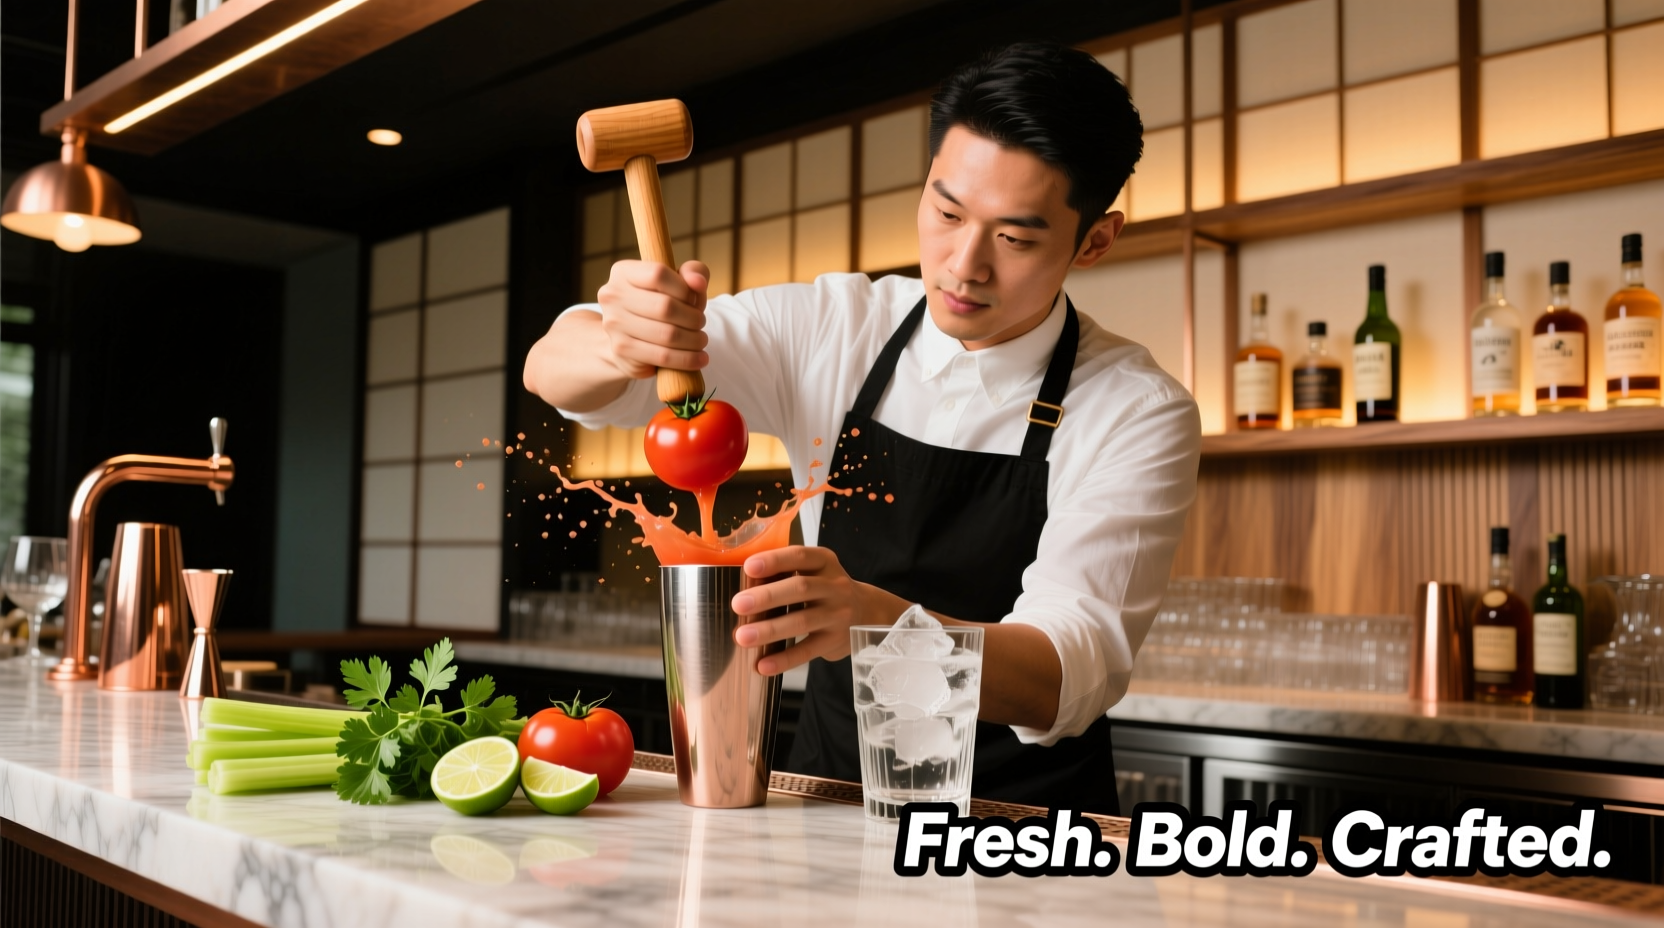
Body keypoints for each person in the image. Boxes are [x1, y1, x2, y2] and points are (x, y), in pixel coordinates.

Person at [525, 41, 1199, 815]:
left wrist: (889, 625)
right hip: (829, 800)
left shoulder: (1136, 409)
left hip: (1021, 827)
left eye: (1014, 238)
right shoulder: (834, 327)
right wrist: (619, 339)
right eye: (945, 212)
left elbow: (1068, 672)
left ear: (1095, 240)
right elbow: (555, 371)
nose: (963, 264)